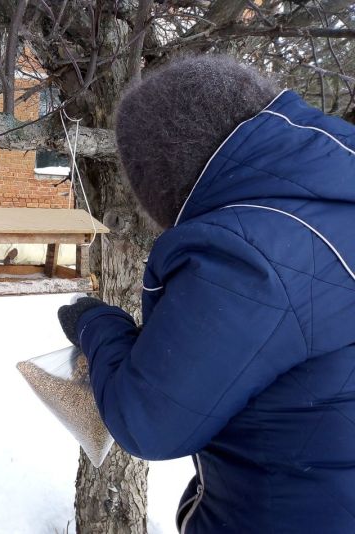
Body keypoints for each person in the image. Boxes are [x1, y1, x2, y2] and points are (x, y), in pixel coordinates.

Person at [57, 55, 355, 533]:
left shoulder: (247, 253)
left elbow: (148, 421)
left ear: (172, 179)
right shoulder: (333, 199)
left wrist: (96, 325)